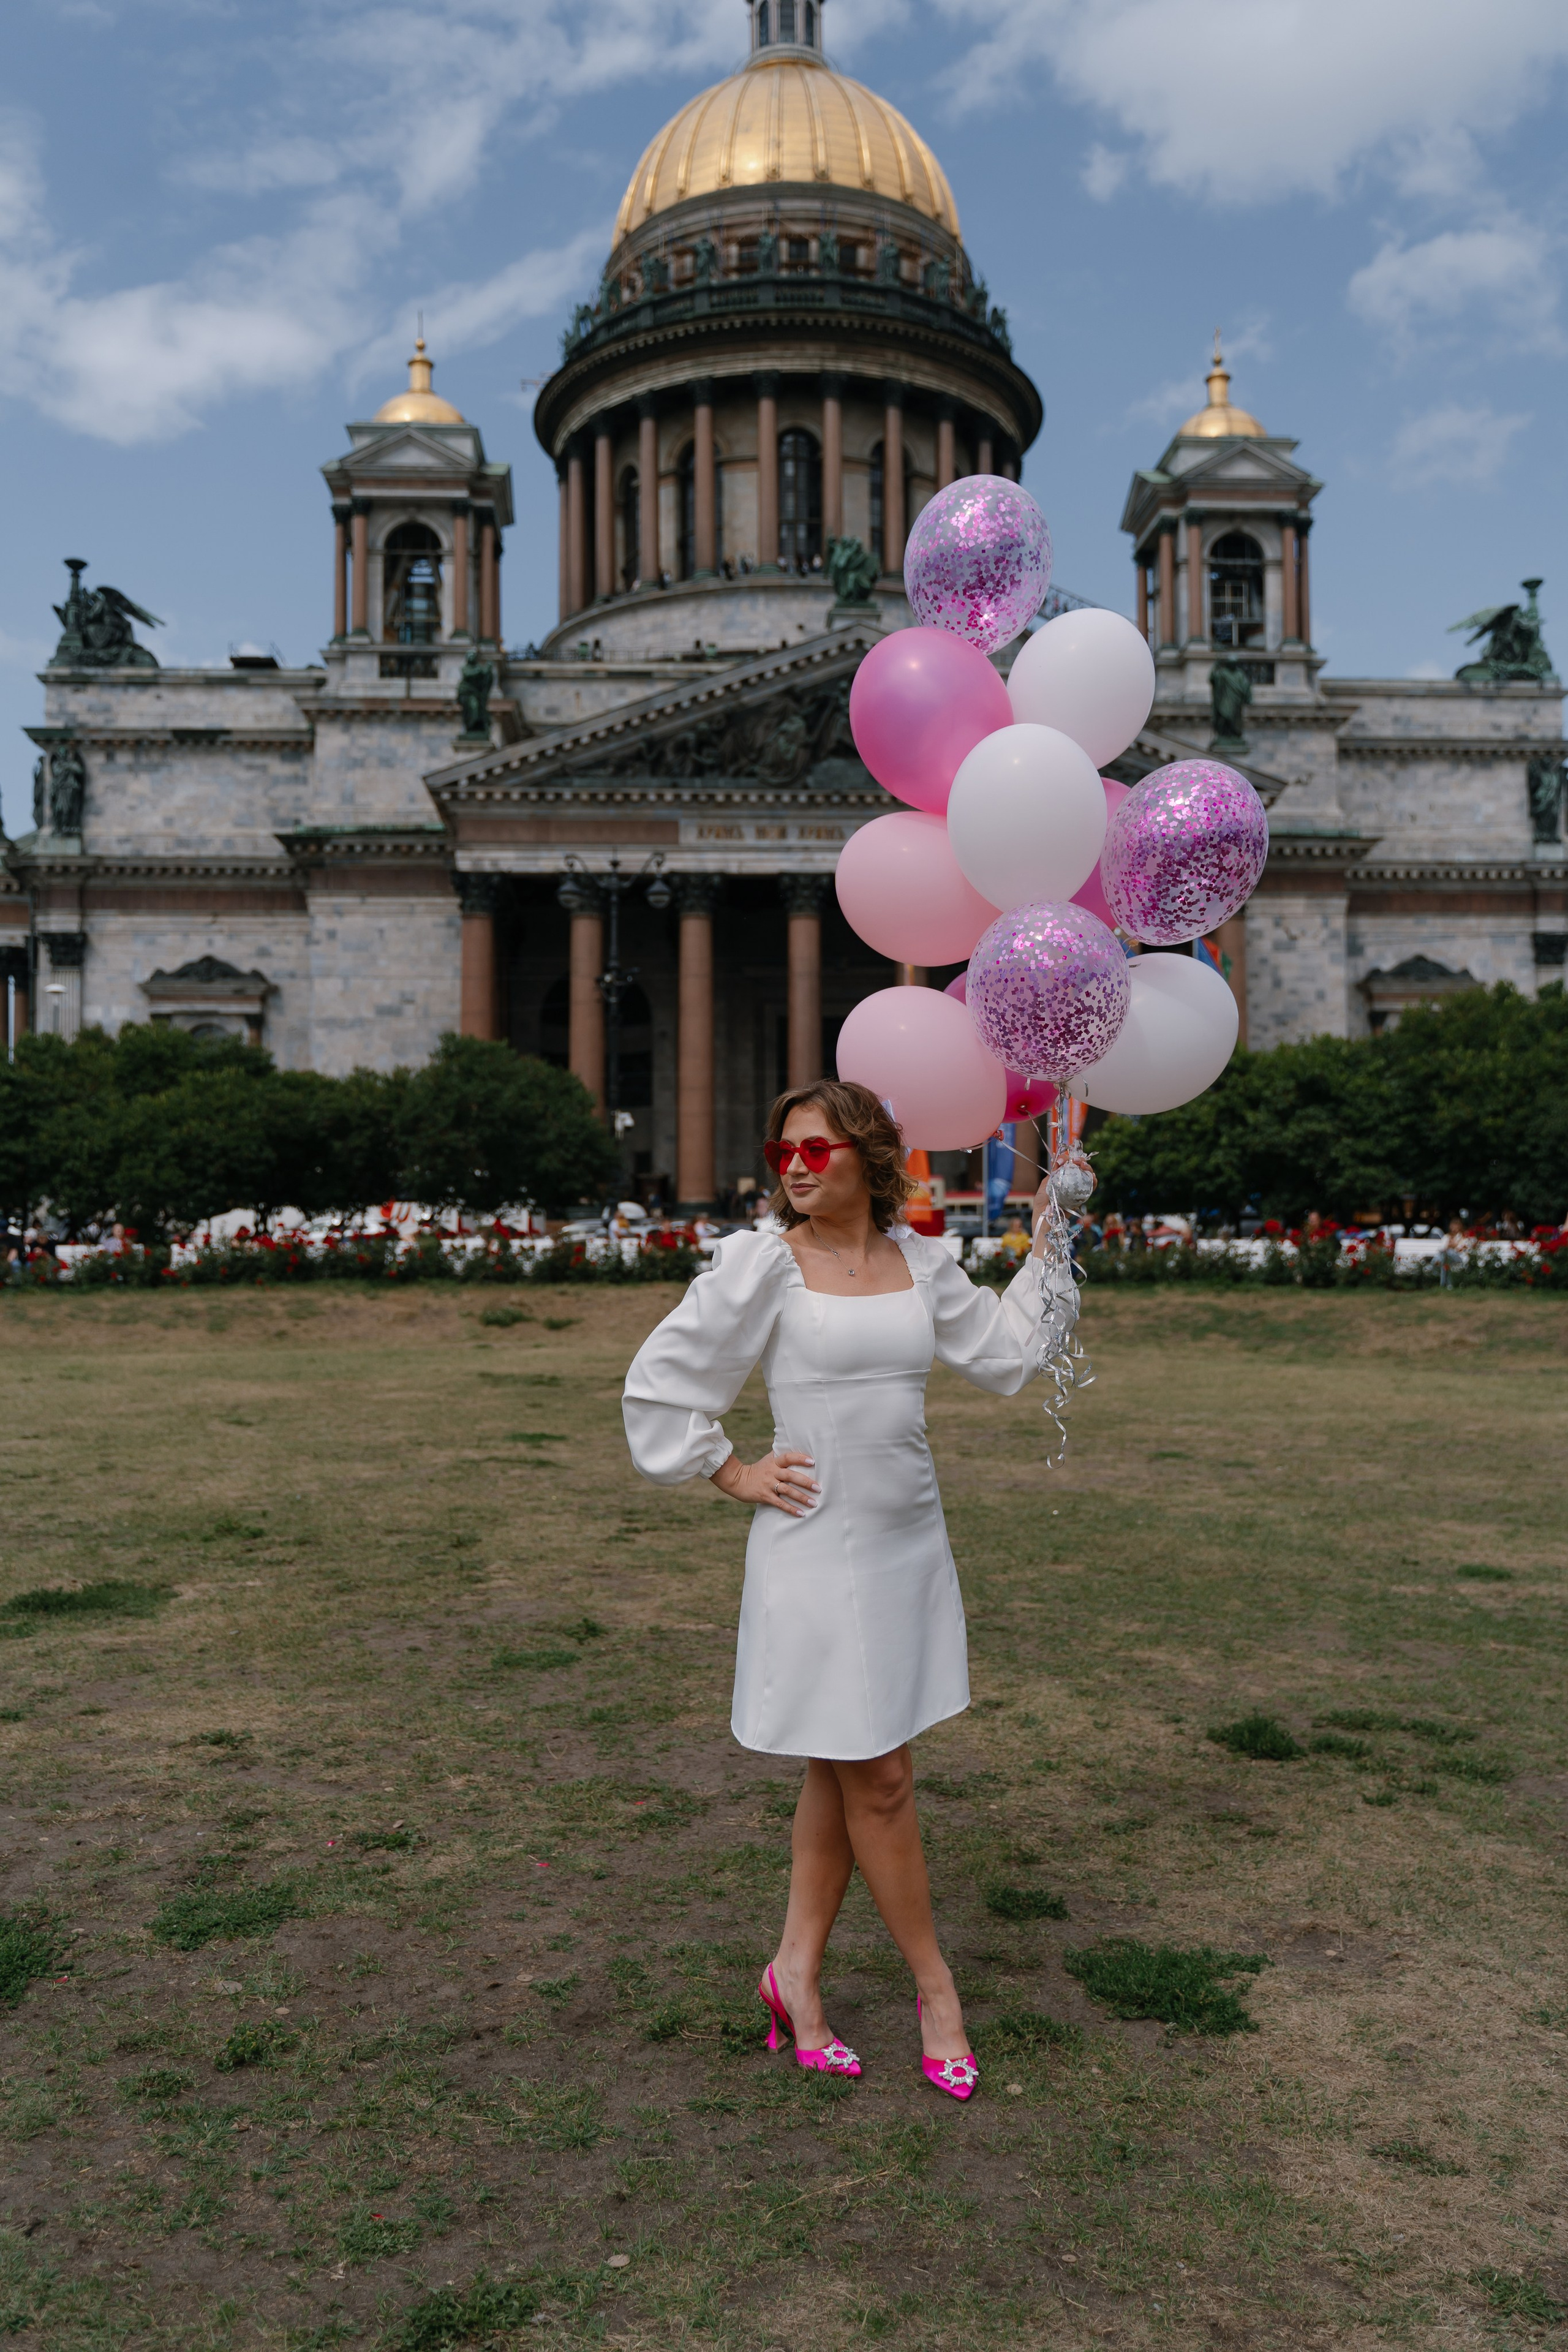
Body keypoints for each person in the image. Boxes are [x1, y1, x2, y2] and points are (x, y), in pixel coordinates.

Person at [622, 1080, 1072, 2100]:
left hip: (909, 1539)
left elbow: (1002, 1360)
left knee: (842, 1771)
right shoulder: (763, 1266)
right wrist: (733, 1472)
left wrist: (1048, 1243)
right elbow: (661, 1380)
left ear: (868, 1160)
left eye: (817, 1151)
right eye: (784, 1149)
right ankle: (936, 1988)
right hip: (815, 1549)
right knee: (881, 1777)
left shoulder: (920, 1261)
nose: (793, 1166)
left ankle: (793, 1974)